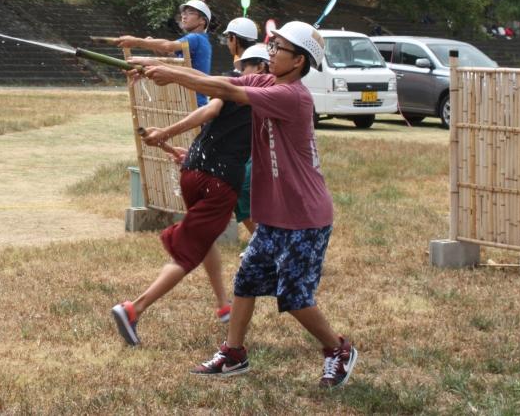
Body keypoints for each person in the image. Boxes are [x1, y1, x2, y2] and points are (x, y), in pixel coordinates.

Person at [129, 21, 357, 388]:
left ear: (298, 61)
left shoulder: (292, 97)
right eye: (271, 45)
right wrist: (171, 71)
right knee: (247, 281)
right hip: (274, 215)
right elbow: (227, 82)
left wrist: (172, 73)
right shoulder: (268, 82)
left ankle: (337, 349)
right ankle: (233, 353)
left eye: (277, 48)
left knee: (294, 297)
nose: (270, 53)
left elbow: (220, 89)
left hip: (304, 217)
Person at [111, 53, 254, 345]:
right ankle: (133, 309)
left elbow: (199, 84)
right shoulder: (251, 91)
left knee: (204, 239)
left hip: (192, 173)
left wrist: (183, 149)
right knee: (187, 252)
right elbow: (209, 110)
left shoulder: (237, 86)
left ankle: (223, 304)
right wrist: (166, 131)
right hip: (219, 181)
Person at [115, 0, 214, 106]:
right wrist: (156, 47)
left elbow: (168, 46)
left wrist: (138, 41)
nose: (184, 17)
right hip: (189, 101)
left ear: (202, 21)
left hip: (193, 102)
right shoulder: (201, 40)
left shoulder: (195, 38)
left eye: (190, 13)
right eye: (183, 13)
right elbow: (173, 57)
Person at [232, 44, 270, 236]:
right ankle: (260, 242)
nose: (242, 74)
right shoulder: (248, 90)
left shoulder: (268, 92)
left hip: (265, 156)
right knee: (239, 188)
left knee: (243, 187)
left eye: (245, 68)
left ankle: (263, 243)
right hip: (250, 152)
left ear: (260, 67)